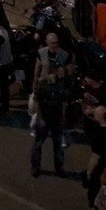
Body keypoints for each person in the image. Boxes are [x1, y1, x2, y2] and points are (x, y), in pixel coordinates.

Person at [30, 32, 74, 177]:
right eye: (52, 43)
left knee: (57, 142)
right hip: (45, 107)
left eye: (56, 43)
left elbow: (70, 75)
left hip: (57, 107)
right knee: (38, 142)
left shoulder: (64, 56)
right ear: (47, 43)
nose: (54, 46)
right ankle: (35, 167)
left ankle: (59, 167)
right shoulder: (41, 54)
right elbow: (36, 74)